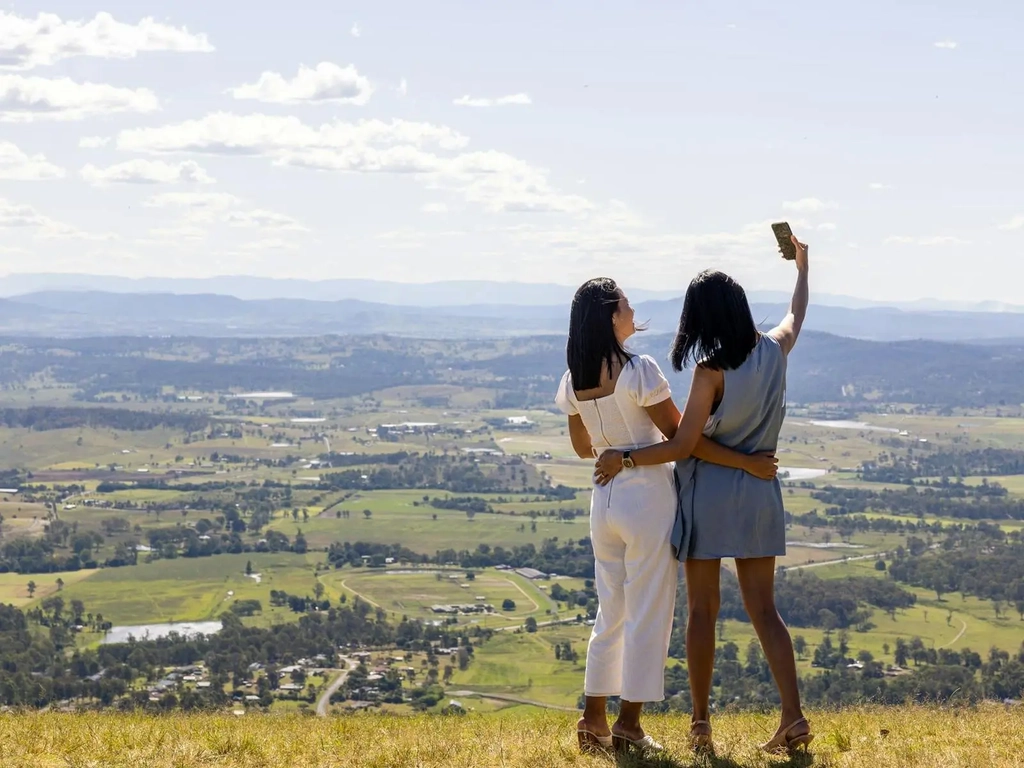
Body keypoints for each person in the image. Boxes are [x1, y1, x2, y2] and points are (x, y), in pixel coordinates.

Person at [596, 235, 813, 754]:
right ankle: (794, 717)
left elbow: (685, 444)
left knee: (702, 612)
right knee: (765, 611)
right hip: (762, 491)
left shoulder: (710, 371)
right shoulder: (775, 349)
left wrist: (624, 458)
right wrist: (804, 267)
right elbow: (795, 311)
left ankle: (700, 725)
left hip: (710, 497)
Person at [555, 277, 778, 755]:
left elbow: (580, 448)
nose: (634, 312)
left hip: (604, 500)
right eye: (627, 306)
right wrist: (743, 460)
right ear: (612, 317)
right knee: (650, 612)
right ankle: (628, 724)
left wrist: (610, 448)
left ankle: (592, 717)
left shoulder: (573, 377)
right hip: (646, 498)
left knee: (609, 610)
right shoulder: (640, 370)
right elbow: (682, 436)